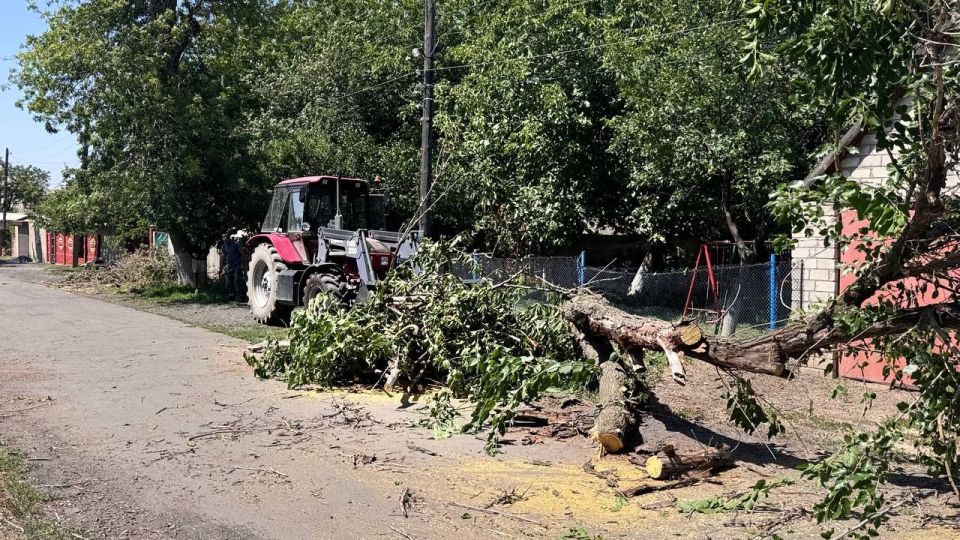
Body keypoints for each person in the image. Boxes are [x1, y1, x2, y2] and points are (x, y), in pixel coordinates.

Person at [221, 234, 244, 301]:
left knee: (237, 280)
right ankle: (231, 295)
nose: (225, 240)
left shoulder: (235, 244)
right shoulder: (224, 246)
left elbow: (242, 253)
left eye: (226, 239)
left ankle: (240, 296)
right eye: (224, 239)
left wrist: (242, 263)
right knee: (229, 280)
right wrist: (222, 267)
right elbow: (223, 256)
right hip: (229, 265)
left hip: (237, 264)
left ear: (229, 238)